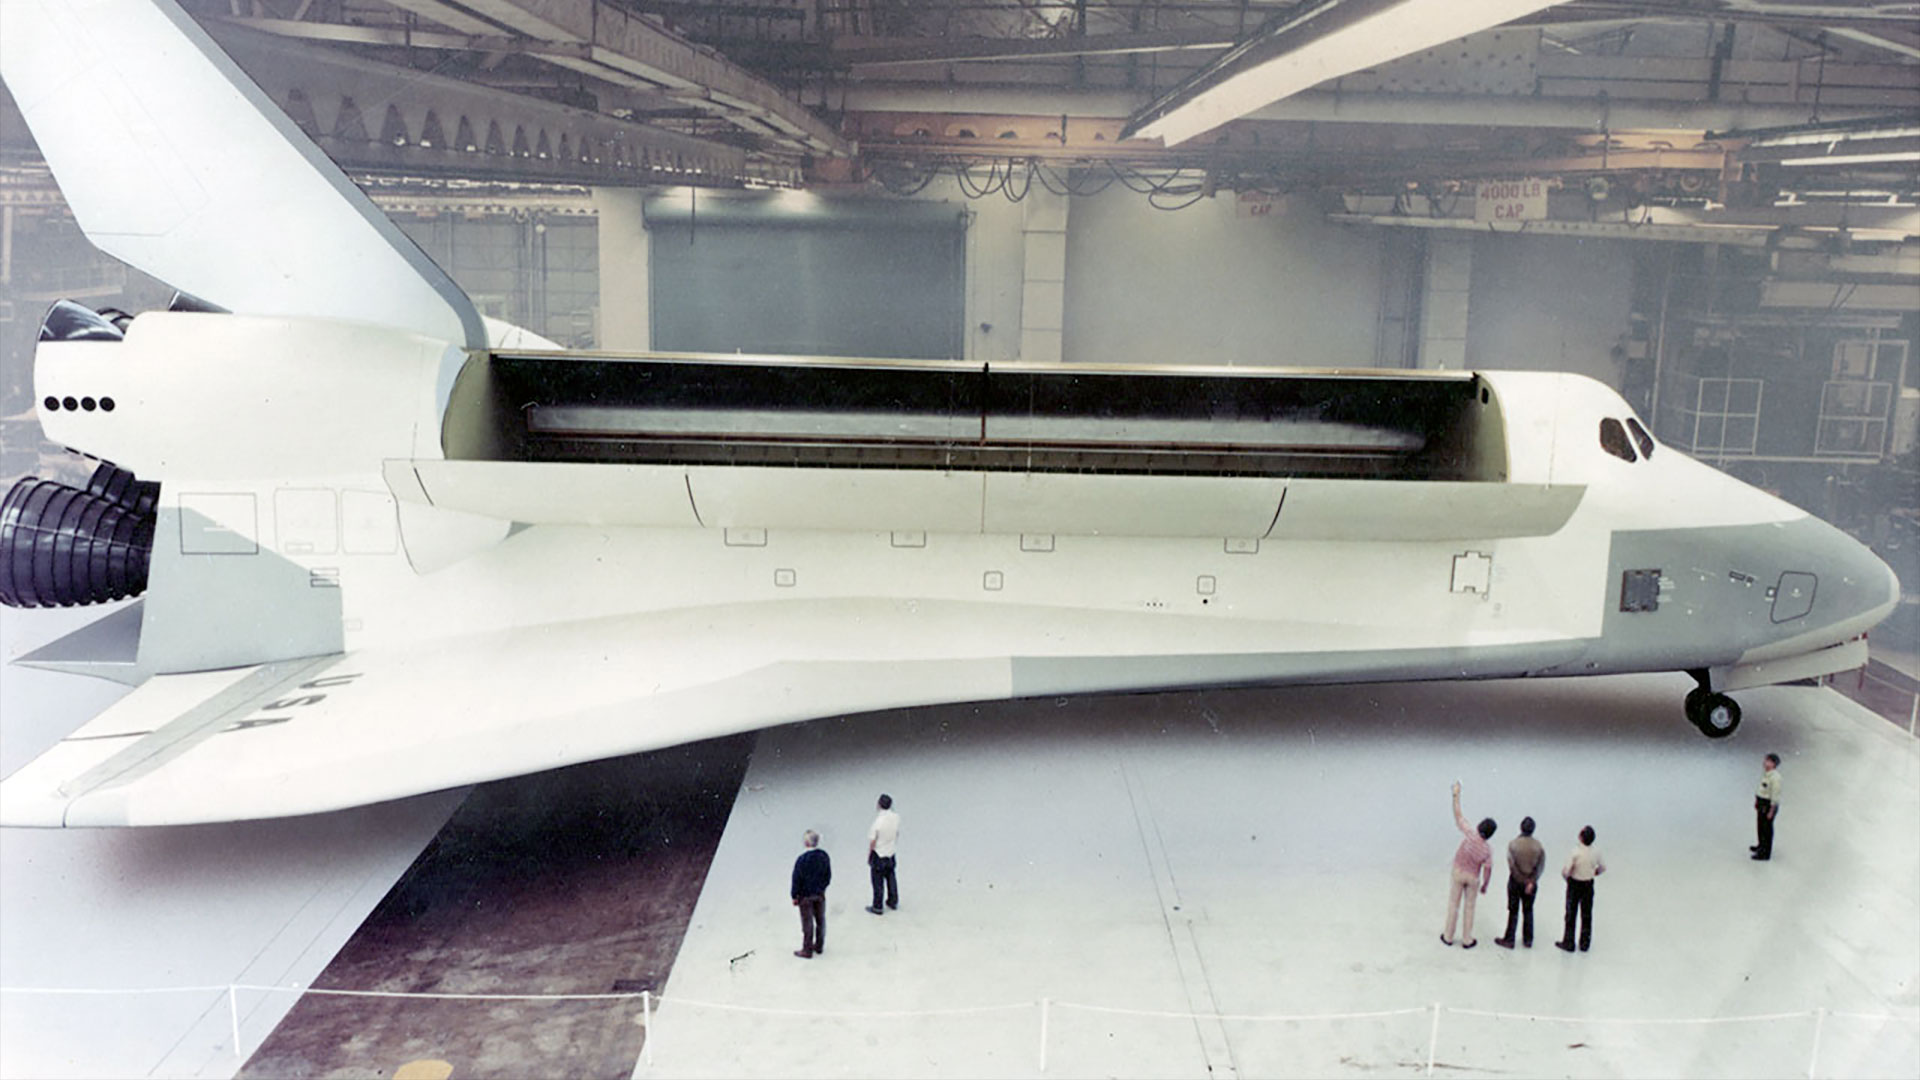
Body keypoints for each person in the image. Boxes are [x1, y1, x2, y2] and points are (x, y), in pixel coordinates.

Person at [1441, 781, 1496, 948]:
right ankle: (1467, 939)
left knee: (1453, 904)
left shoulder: (1470, 834)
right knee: (1470, 908)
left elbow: (1458, 816)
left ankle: (1448, 936)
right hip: (1473, 877)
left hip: (1458, 872)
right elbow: (1487, 869)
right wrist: (1485, 885)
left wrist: (1456, 795)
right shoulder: (1487, 849)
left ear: (1479, 826)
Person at [1494, 816, 1545, 949]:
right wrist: (1531, 881)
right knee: (1528, 910)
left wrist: (1520, 879)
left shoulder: (1513, 844)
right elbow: (1540, 866)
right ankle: (1528, 940)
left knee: (1513, 910)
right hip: (1531, 883)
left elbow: (1512, 865)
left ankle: (1510, 938)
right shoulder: (1538, 846)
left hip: (1515, 882)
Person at [1555, 825, 1606, 953]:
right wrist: (1594, 873)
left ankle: (1569, 942)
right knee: (1587, 914)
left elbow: (1566, 871)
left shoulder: (1575, 852)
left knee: (1571, 914)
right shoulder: (1596, 852)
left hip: (1575, 884)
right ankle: (1584, 943)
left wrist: (1567, 877)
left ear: (1581, 837)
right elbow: (1602, 867)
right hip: (1588, 884)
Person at [790, 829, 831, 959]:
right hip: (819, 894)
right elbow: (828, 875)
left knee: (807, 923)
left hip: (805, 896)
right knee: (820, 920)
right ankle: (819, 945)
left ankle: (807, 949)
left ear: (806, 843)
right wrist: (822, 888)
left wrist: (794, 895)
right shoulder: (824, 856)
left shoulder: (802, 860)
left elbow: (796, 879)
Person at [866, 793, 901, 915]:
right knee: (891, 877)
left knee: (877, 881)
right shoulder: (896, 817)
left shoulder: (878, 822)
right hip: (890, 851)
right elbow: (897, 833)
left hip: (879, 853)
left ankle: (877, 906)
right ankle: (893, 900)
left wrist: (870, 854)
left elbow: (873, 840)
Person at [1752, 753, 1782, 861]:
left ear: (1773, 763)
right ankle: (1761, 846)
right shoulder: (1766, 774)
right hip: (1761, 803)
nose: (1764, 763)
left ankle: (1765, 853)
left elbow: (1775, 795)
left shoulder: (1775, 777)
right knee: (1760, 826)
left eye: (1767, 761)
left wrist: (1771, 810)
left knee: (1766, 829)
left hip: (1768, 805)